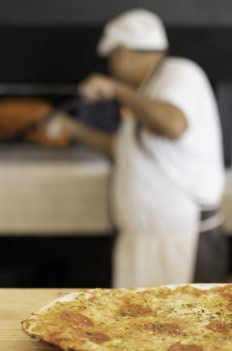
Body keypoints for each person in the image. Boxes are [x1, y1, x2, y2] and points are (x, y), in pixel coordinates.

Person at [46, 9, 229, 288]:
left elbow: (172, 125)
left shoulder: (180, 72)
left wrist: (116, 89)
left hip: (182, 238)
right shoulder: (147, 93)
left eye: (110, 61)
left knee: (188, 327)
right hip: (146, 242)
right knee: (136, 327)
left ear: (122, 52)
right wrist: (70, 127)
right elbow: (122, 149)